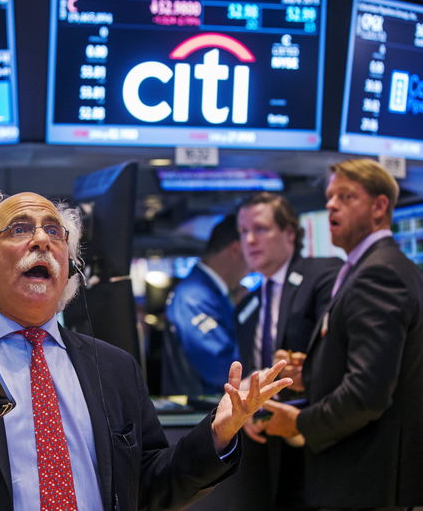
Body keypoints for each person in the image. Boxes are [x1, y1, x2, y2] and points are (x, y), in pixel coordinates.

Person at [0, 191, 292, 511]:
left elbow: (151, 486)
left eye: (54, 231)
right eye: (20, 229)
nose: (42, 240)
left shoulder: (115, 367)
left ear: (69, 266)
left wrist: (217, 433)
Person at [264, 159, 423, 510]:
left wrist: (299, 422)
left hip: (369, 483)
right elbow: (369, 364)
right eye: (330, 196)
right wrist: (310, 373)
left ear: (380, 206)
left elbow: (368, 392)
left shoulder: (378, 274)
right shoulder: (373, 267)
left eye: (346, 196)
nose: (331, 205)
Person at [220, 193, 342, 511]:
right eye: (243, 231)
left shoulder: (323, 275)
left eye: (260, 229)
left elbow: (337, 350)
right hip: (269, 444)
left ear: (289, 232)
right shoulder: (246, 306)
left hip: (319, 437)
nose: (249, 240)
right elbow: (252, 368)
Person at [163, 214, 248, 395]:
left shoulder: (216, 294)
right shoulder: (193, 296)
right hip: (202, 413)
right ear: (236, 250)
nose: (255, 265)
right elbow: (220, 368)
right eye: (252, 251)